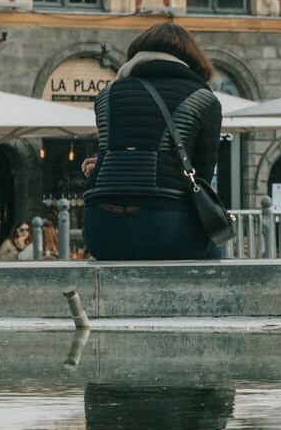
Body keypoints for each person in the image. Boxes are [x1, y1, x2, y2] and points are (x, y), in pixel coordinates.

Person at [79, 23, 225, 260]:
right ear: (192, 60)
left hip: (100, 231)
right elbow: (203, 179)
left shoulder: (107, 95)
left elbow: (117, 151)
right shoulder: (204, 99)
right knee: (213, 254)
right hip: (165, 229)